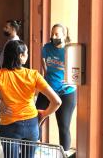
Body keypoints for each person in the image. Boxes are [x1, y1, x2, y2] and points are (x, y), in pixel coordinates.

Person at [0, 40, 61, 158]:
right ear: (21, 56)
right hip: (31, 123)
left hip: (9, 125)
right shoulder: (34, 75)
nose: (27, 55)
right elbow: (57, 101)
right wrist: (44, 114)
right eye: (26, 53)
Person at [36, 24, 76, 152]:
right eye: (52, 34)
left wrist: (72, 80)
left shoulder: (70, 51)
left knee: (63, 126)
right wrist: (46, 71)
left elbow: (79, 70)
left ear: (64, 36)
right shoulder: (47, 48)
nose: (53, 37)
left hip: (66, 92)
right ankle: (35, 149)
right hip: (48, 89)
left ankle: (64, 153)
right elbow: (42, 59)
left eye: (57, 34)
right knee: (36, 118)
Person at [0, 19, 21, 118]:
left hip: (8, 71)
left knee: (5, 93)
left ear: (12, 29)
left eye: (6, 28)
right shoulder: (10, 40)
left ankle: (3, 111)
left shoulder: (15, 43)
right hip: (4, 70)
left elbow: (14, 61)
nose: (4, 29)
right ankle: (1, 110)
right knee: (2, 92)